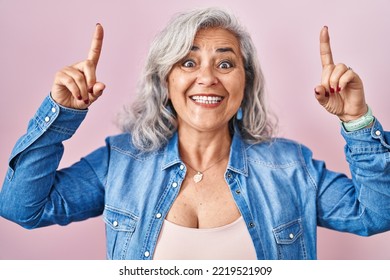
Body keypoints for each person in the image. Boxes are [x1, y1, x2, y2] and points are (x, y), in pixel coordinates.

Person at [0, 7, 389, 260]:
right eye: (188, 61)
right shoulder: (120, 161)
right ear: (165, 79)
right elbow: (22, 207)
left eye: (225, 62)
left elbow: (377, 214)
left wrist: (357, 120)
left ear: (245, 82)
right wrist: (62, 112)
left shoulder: (291, 166)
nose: (207, 77)